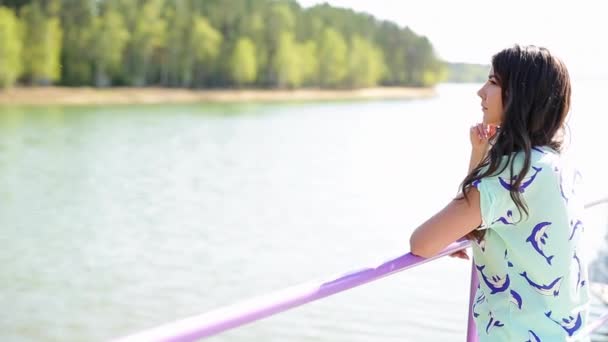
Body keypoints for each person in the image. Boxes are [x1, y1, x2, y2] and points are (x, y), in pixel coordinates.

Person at [409, 45, 590, 341]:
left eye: (493, 82)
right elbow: (483, 214)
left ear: (521, 95)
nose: (480, 92)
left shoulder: (510, 177)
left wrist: (480, 165)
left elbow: (423, 242)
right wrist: (479, 153)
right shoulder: (557, 165)